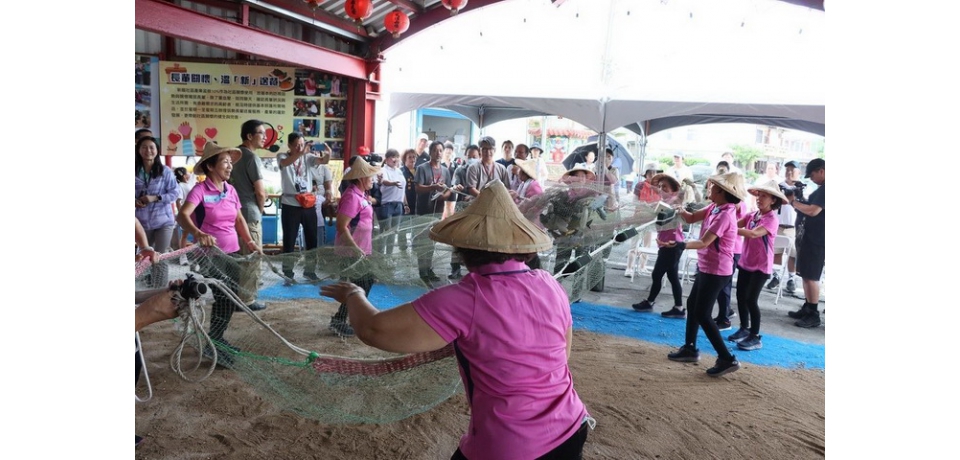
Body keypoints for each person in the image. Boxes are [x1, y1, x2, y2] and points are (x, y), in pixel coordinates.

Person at [319, 181, 591, 459]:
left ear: (462, 248)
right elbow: (563, 353)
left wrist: (353, 295)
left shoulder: (465, 299)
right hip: (572, 426)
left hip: (510, 444)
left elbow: (373, 329)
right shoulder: (549, 283)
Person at [177, 142, 263, 363]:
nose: (230, 166)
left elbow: (239, 219)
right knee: (224, 297)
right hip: (211, 255)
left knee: (231, 297)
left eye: (230, 162)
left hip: (232, 253)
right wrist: (198, 233)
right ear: (210, 166)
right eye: (225, 162)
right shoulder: (200, 190)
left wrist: (249, 241)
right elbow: (182, 216)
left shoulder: (230, 190)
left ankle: (216, 339)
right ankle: (214, 343)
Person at [664, 172, 746, 377]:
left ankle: (727, 358)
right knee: (693, 305)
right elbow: (691, 218)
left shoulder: (726, 214)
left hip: (717, 270)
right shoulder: (714, 207)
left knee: (702, 313)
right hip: (707, 266)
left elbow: (704, 242)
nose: (710, 188)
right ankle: (690, 348)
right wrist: (680, 209)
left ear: (723, 192)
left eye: (713, 187)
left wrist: (680, 245)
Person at [726, 180, 786, 350]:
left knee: (751, 300)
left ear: (773, 200)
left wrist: (728, 228)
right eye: (759, 195)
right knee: (740, 297)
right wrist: (725, 220)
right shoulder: (752, 215)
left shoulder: (772, 219)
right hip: (746, 262)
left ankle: (755, 336)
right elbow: (735, 223)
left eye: (764, 196)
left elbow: (753, 234)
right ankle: (744, 328)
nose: (759, 198)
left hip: (761, 265)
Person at [329, 157, 380, 337]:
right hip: (351, 252)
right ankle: (340, 320)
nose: (373, 179)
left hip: (360, 250)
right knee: (359, 285)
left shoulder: (361, 195)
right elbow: (341, 226)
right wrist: (355, 248)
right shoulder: (352, 196)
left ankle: (345, 318)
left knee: (361, 284)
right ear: (361, 178)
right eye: (370, 176)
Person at [631, 174, 685, 315]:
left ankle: (650, 302)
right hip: (665, 244)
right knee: (672, 277)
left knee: (657, 274)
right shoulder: (661, 203)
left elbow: (679, 205)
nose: (661, 189)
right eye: (660, 187)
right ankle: (678, 307)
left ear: (673, 190)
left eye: (665, 187)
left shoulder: (675, 202)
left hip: (672, 245)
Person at [277, 132, 327, 282]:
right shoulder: (282, 156)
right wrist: (301, 152)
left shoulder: (308, 157)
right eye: (296, 145)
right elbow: (285, 163)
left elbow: (324, 161)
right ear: (289, 145)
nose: (300, 147)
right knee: (289, 239)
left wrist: (328, 152)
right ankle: (288, 272)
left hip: (308, 203)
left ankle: (310, 271)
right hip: (290, 203)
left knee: (312, 239)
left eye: (302, 144)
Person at [232, 119, 269, 311]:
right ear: (249, 136)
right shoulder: (251, 157)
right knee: (252, 258)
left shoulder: (233, 155)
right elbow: (260, 192)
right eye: (261, 133)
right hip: (248, 212)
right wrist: (259, 211)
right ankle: (246, 300)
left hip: (232, 212)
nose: (265, 137)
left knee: (237, 257)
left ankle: (234, 296)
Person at [135, 136, 180, 287]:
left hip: (163, 222)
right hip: (141, 223)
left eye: (151, 147)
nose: (148, 150)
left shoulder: (165, 171)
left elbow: (174, 193)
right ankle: (142, 290)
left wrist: (155, 197)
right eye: (144, 147)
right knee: (142, 257)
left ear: (157, 150)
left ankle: (159, 291)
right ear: (138, 150)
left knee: (160, 258)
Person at [788, 158, 825, 328]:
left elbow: (813, 211)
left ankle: (813, 313)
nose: (811, 179)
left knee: (811, 277)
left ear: (821, 171)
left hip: (817, 239)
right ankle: (808, 306)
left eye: (812, 175)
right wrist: (799, 200)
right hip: (810, 237)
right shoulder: (821, 190)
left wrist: (793, 202)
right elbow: (809, 208)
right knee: (806, 275)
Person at [414, 141, 458, 283]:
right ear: (430, 152)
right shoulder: (422, 168)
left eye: (440, 150)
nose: (438, 153)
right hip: (423, 211)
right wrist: (432, 187)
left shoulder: (445, 170)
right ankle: (422, 272)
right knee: (422, 241)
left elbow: (449, 190)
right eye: (435, 150)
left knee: (432, 242)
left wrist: (443, 196)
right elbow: (417, 188)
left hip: (437, 211)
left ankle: (429, 269)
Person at [766, 160, 803, 293]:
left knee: (792, 254)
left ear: (799, 172)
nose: (789, 172)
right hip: (778, 224)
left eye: (792, 170)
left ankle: (791, 278)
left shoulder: (801, 187)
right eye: (787, 169)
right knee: (777, 252)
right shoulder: (778, 185)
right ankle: (776, 276)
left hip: (793, 227)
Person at [375, 149, 407, 255]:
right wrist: (393, 183)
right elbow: (384, 181)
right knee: (385, 231)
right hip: (387, 204)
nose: (395, 159)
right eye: (392, 157)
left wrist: (405, 204)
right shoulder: (383, 170)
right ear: (387, 159)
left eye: (397, 157)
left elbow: (403, 189)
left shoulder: (399, 171)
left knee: (393, 232)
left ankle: (389, 256)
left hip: (398, 204)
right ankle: (380, 255)